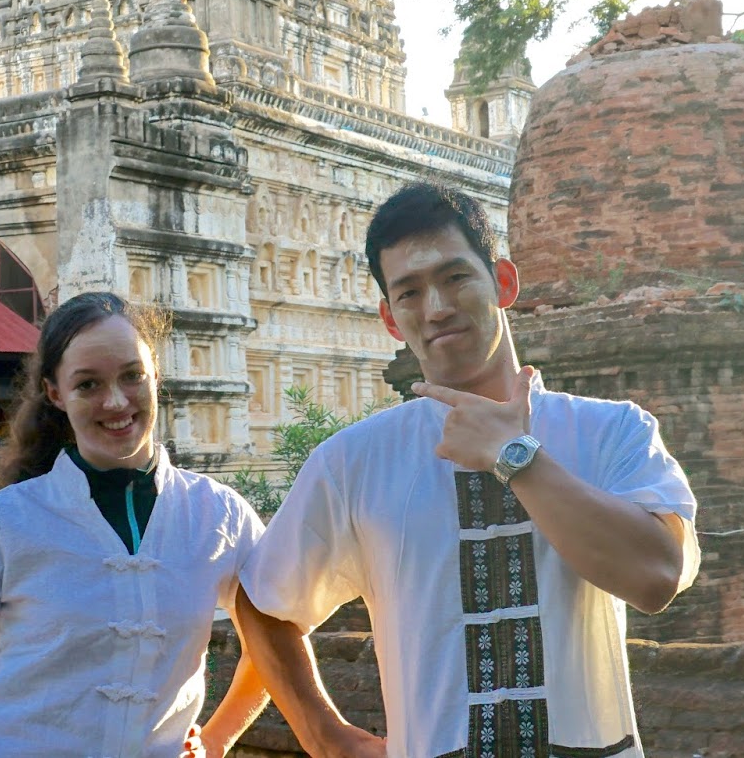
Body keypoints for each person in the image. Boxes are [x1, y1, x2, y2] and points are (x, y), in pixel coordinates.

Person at [236, 183, 700, 758]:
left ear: (503, 282)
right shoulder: (354, 461)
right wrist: (325, 736)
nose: (436, 308)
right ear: (390, 318)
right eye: (409, 292)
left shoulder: (611, 431)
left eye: (456, 277)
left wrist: (516, 457)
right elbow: (262, 600)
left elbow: (656, 576)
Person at [0, 292, 270, 757]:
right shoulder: (3, 522)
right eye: (88, 384)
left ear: (156, 373)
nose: (116, 401)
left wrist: (215, 742)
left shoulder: (218, 515)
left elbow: (273, 649)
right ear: (55, 393)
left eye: (132, 375)